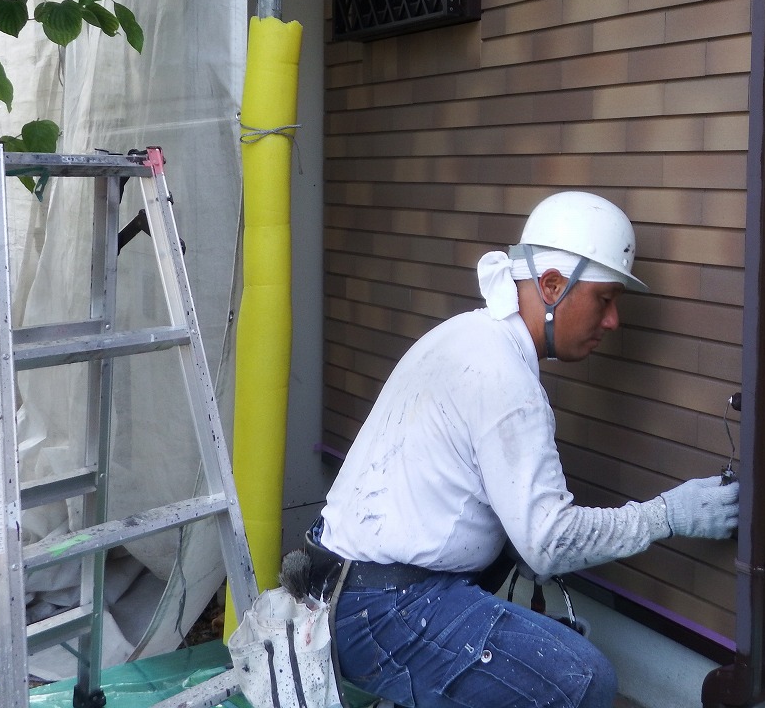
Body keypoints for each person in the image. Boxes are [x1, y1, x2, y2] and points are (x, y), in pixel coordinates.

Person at [306, 190, 740, 708]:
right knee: (580, 679)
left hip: (345, 589)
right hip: (385, 608)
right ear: (553, 286)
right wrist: (668, 515)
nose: (613, 321)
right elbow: (549, 543)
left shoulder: (468, 335)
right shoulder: (504, 379)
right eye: (604, 299)